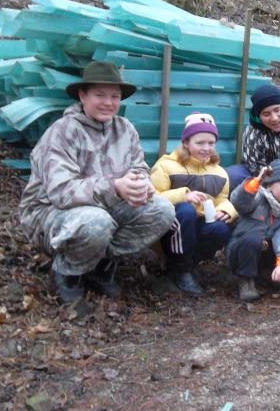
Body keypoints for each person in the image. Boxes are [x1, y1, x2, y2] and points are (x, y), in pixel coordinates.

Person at [19, 62, 176, 303]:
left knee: (162, 210)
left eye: (114, 96)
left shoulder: (125, 129)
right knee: (96, 222)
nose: (108, 102)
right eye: (100, 95)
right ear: (83, 95)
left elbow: (138, 167)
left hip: (104, 207)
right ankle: (66, 272)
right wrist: (114, 187)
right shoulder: (62, 132)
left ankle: (98, 265)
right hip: (48, 212)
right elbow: (61, 192)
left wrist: (141, 184)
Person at [150, 113, 237, 297]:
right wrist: (184, 195)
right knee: (186, 211)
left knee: (221, 228)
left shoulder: (219, 172)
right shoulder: (166, 165)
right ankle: (179, 268)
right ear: (186, 143)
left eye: (211, 143)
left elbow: (222, 198)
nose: (206, 148)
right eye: (200, 143)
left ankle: (191, 263)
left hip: (200, 223)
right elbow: (152, 198)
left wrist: (226, 210)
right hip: (171, 226)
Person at [226, 151, 280, 302]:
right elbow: (239, 201)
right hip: (241, 251)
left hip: (264, 252)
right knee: (252, 239)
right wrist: (256, 181)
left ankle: (268, 273)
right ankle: (246, 279)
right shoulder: (258, 197)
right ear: (270, 185)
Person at [225, 83, 280, 192]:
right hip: (267, 177)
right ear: (259, 117)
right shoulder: (252, 133)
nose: (274, 118)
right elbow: (254, 168)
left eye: (277, 110)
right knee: (233, 175)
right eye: (266, 114)